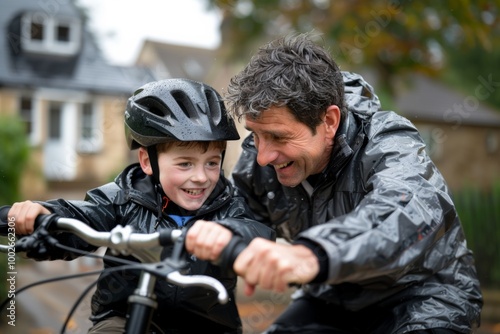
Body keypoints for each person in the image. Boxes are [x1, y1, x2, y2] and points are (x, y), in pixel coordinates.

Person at [204, 33, 483, 333]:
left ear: (329, 122)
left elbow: (404, 209)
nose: (262, 156)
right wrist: (218, 235)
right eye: (255, 135)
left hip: (422, 295)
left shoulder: (388, 141)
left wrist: (311, 254)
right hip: (332, 295)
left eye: (278, 136)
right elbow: (238, 215)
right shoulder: (260, 162)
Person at [6, 78, 275, 334]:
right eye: (185, 164)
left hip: (208, 326)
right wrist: (42, 215)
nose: (201, 177)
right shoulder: (122, 199)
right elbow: (80, 217)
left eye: (212, 163)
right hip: (124, 319)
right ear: (147, 162)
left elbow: (254, 231)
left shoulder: (229, 204)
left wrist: (230, 235)